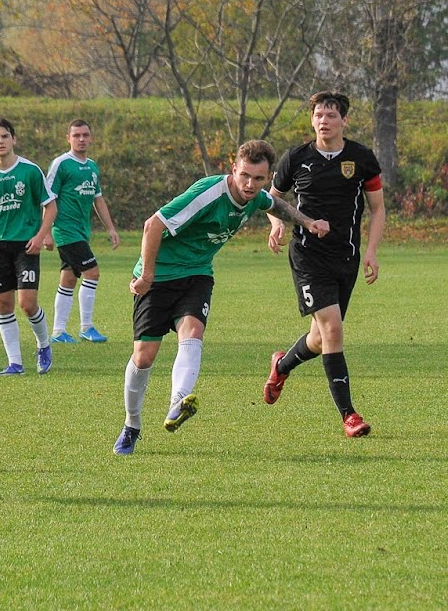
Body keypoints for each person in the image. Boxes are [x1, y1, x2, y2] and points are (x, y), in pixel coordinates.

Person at [113, 140, 330, 455]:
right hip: (158, 276)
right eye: (244, 176)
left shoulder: (255, 197)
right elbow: (153, 225)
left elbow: (275, 205)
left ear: (266, 177)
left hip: (197, 274)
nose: (250, 185)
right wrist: (146, 275)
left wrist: (307, 222)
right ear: (234, 170)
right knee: (144, 357)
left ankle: (177, 403)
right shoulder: (210, 193)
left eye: (258, 179)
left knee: (193, 331)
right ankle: (132, 425)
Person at [263, 91, 385, 438]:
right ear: (312, 119)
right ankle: (349, 415)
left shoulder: (361, 158)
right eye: (318, 115)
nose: (324, 121)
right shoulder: (297, 157)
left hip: (345, 257)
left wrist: (372, 252)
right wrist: (277, 224)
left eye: (331, 115)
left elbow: (377, 209)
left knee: (319, 338)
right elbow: (272, 199)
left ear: (343, 120)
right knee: (332, 328)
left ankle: (282, 364)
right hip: (307, 256)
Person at [0, 116, 58, 376]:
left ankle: (43, 345)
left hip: (26, 245)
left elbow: (50, 205)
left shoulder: (30, 171)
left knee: (27, 303)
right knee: (3, 304)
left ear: (13, 139)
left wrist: (41, 235)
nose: (0, 141)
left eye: (4, 136)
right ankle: (15, 363)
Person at [44, 119, 120, 344]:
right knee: (92, 273)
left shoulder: (92, 166)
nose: (81, 139)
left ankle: (58, 332)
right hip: (65, 230)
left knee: (68, 279)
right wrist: (46, 232)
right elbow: (48, 199)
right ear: (68, 138)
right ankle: (86, 327)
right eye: (76, 135)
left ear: (91, 137)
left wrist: (111, 228)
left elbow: (98, 200)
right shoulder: (61, 164)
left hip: (81, 231)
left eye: (85, 135)